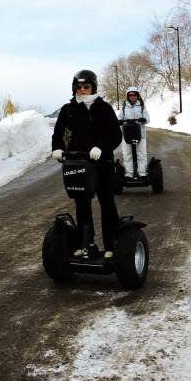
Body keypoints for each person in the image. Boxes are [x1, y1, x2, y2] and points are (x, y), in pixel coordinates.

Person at [51, 70, 122, 256]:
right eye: (79, 87)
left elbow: (116, 135)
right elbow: (58, 133)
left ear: (93, 87)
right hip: (78, 164)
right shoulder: (68, 110)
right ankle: (86, 244)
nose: (82, 90)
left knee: (107, 203)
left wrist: (101, 147)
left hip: (102, 164)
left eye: (86, 86)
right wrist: (57, 149)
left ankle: (111, 246)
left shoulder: (104, 108)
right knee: (81, 204)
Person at [117, 86, 151, 177]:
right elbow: (119, 117)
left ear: (137, 96)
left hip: (140, 134)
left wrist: (144, 119)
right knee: (127, 154)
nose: (132, 97)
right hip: (127, 134)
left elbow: (148, 118)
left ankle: (142, 173)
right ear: (128, 96)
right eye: (130, 95)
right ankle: (129, 173)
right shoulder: (124, 107)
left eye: (134, 95)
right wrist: (119, 121)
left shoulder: (142, 106)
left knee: (141, 154)